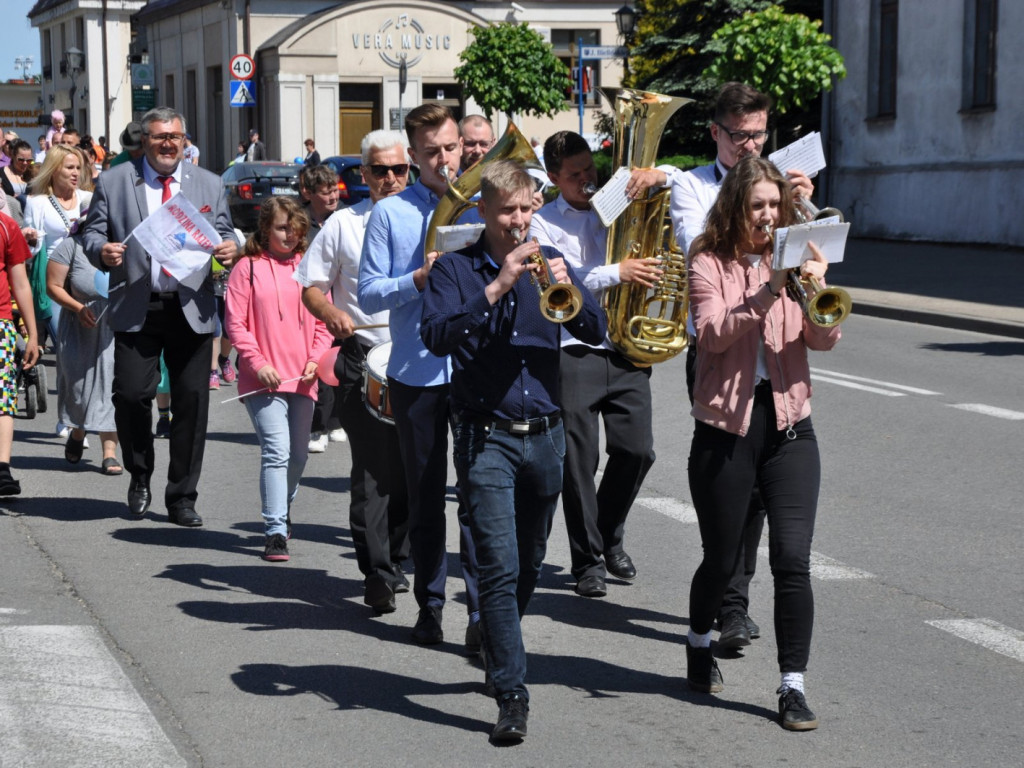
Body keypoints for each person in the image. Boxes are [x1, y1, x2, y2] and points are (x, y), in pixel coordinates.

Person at [422, 160, 604, 742]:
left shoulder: (550, 263)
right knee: (497, 567)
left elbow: (597, 332)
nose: (520, 220)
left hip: (547, 434)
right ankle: (511, 692)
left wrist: (571, 293)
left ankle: (498, 638)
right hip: (485, 435)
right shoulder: (455, 268)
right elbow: (436, 335)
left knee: (527, 561)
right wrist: (496, 286)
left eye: (527, 209)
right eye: (508, 210)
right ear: (484, 211)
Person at [684, 155, 840, 731]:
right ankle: (699, 641)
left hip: (791, 429)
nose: (769, 216)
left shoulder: (797, 262)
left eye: (776, 206)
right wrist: (767, 289)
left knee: (793, 561)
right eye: (758, 206)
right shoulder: (709, 260)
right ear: (735, 208)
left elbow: (824, 340)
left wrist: (815, 289)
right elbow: (713, 335)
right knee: (722, 560)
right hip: (727, 433)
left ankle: (792, 685)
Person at [669, 81, 816, 649]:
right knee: (731, 503)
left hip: (779, 389)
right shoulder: (691, 186)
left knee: (767, 503)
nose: (751, 144)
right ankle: (719, 606)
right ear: (717, 133)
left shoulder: (776, 194)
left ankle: (736, 606)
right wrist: (751, 205)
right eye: (740, 136)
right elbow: (696, 242)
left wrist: (794, 207)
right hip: (716, 358)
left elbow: (823, 333)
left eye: (759, 133)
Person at [358, 103, 480, 649]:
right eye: (430, 152)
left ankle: (482, 612)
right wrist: (417, 277)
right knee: (427, 497)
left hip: (477, 367)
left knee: (480, 498)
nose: (444, 160)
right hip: (417, 369)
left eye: (450, 148)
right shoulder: (390, 213)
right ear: (413, 156)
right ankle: (431, 605)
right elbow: (368, 292)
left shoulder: (481, 202)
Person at [81, 106, 239, 527]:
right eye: (159, 137)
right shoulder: (115, 181)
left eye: (175, 136)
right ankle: (139, 474)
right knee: (131, 395)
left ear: (185, 140)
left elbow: (225, 231)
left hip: (190, 306)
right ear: (144, 142)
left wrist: (228, 246)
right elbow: (93, 233)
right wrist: (102, 251)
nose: (168, 144)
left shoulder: (208, 182)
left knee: (191, 403)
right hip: (138, 304)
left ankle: (182, 497)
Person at [530, 130, 669, 598]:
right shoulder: (543, 223)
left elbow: (680, 188)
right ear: (553, 177)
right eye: (575, 175)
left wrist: (656, 176)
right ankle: (587, 561)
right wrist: (619, 272)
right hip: (573, 349)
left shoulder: (617, 201)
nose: (588, 180)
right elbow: (559, 278)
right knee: (579, 462)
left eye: (591, 169)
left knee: (638, 451)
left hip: (624, 343)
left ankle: (608, 533)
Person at [296, 128, 411, 612]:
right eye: (379, 170)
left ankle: (400, 559)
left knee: (411, 469)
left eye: (398, 169)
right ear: (363, 175)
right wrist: (332, 315)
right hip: (363, 355)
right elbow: (311, 287)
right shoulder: (342, 225)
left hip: (418, 358)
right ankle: (377, 572)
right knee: (370, 471)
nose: (389, 178)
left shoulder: (428, 219)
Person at [225, 196, 332, 561]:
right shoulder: (247, 267)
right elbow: (235, 324)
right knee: (277, 451)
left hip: (303, 377)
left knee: (299, 456)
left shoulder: (311, 268)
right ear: (266, 229)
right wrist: (257, 363)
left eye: (295, 227)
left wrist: (316, 359)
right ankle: (274, 530)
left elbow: (324, 321)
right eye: (282, 227)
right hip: (263, 379)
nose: (289, 234)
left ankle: (281, 509)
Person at [44, 234, 122, 474]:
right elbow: (53, 286)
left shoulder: (125, 244)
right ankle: (78, 430)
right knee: (77, 388)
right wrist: (78, 308)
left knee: (112, 386)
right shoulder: (72, 245)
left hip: (115, 324)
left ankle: (109, 453)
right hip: (78, 323)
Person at [25, 145, 94, 353]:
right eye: (69, 168)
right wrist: (30, 239)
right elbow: (31, 254)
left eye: (78, 168)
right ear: (54, 169)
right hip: (54, 284)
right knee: (66, 349)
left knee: (89, 347)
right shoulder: (37, 203)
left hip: (85, 278)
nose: (76, 173)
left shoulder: (88, 198)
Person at [297, 163, 344, 453]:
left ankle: (336, 421)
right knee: (318, 365)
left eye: (334, 192)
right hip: (311, 306)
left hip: (342, 304)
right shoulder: (300, 223)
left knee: (339, 365)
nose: (331, 198)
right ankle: (317, 427)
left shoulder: (344, 219)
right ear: (308, 193)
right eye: (325, 193)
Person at [0, 210, 40, 495]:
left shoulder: (6, 225)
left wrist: (32, 332)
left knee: (4, 397)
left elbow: (20, 281)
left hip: (1, 321)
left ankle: (2, 469)